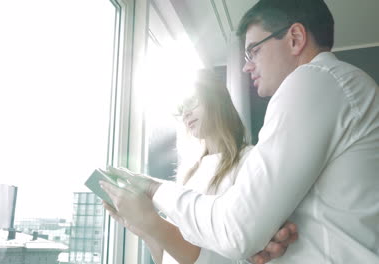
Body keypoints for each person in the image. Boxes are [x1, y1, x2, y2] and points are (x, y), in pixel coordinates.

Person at [102, 0, 379, 263]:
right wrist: (259, 241)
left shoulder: (315, 80)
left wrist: (152, 188)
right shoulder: (334, 90)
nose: (247, 65)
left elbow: (235, 230)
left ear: (295, 38)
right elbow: (246, 234)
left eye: (253, 51)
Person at [102, 69, 298, 264]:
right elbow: (167, 258)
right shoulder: (189, 174)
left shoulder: (250, 160)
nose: (186, 113)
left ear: (217, 99)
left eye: (192, 102)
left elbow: (229, 256)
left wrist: (151, 222)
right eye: (181, 108)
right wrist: (143, 229)